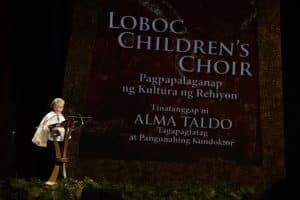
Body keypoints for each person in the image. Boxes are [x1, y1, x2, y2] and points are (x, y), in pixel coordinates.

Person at [31, 98, 66, 180]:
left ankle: (56, 178)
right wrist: (56, 130)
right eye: (59, 107)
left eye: (62, 107)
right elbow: (45, 128)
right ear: (54, 106)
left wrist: (65, 131)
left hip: (60, 141)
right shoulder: (49, 115)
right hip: (51, 141)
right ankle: (48, 178)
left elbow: (64, 127)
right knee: (51, 160)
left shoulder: (61, 116)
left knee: (58, 160)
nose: (61, 109)